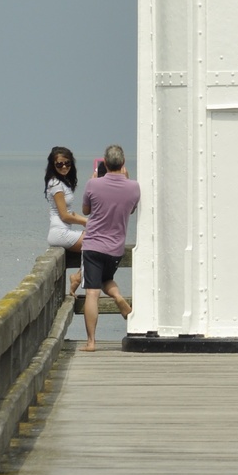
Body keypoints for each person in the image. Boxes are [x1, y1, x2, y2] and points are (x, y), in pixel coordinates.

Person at [80, 143, 140, 351]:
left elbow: (86, 210)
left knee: (92, 293)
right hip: (115, 249)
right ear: (123, 163)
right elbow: (131, 210)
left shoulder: (92, 184)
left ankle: (91, 342)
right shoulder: (134, 187)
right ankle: (117, 296)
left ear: (104, 163)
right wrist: (127, 178)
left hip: (93, 245)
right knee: (106, 279)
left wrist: (94, 181)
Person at [44, 146, 86, 296]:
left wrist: (84, 220)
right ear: (52, 165)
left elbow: (69, 213)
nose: (64, 167)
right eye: (59, 164)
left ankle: (78, 276)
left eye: (67, 163)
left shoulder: (63, 182)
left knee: (97, 243)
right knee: (98, 242)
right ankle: (78, 277)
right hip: (59, 232)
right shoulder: (55, 184)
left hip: (64, 231)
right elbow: (64, 216)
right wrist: (85, 222)